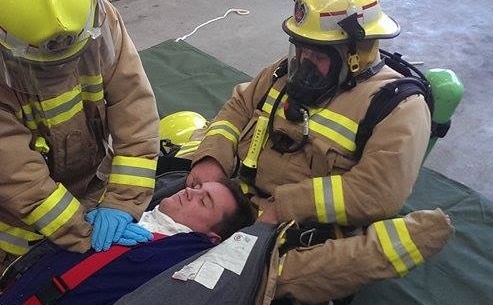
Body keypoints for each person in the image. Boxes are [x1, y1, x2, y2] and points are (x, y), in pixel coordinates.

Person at [185, 0, 454, 303]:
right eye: (300, 47)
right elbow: (239, 107)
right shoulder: (284, 73)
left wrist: (286, 206)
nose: (303, 58)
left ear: (356, 53)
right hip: (235, 201)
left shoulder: (399, 108)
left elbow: (376, 192)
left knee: (256, 276)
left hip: (298, 237)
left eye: (317, 52)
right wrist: (212, 159)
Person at [0, 0, 160, 271]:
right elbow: (16, 175)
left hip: (92, 191)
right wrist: (82, 230)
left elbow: (134, 106)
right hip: (16, 227)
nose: (59, 72)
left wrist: (122, 202)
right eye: (42, 67)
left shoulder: (98, 16)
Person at [0, 177, 255, 305]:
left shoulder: (181, 258)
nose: (190, 191)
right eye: (197, 187)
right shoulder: (129, 207)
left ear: (212, 239)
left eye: (204, 200)